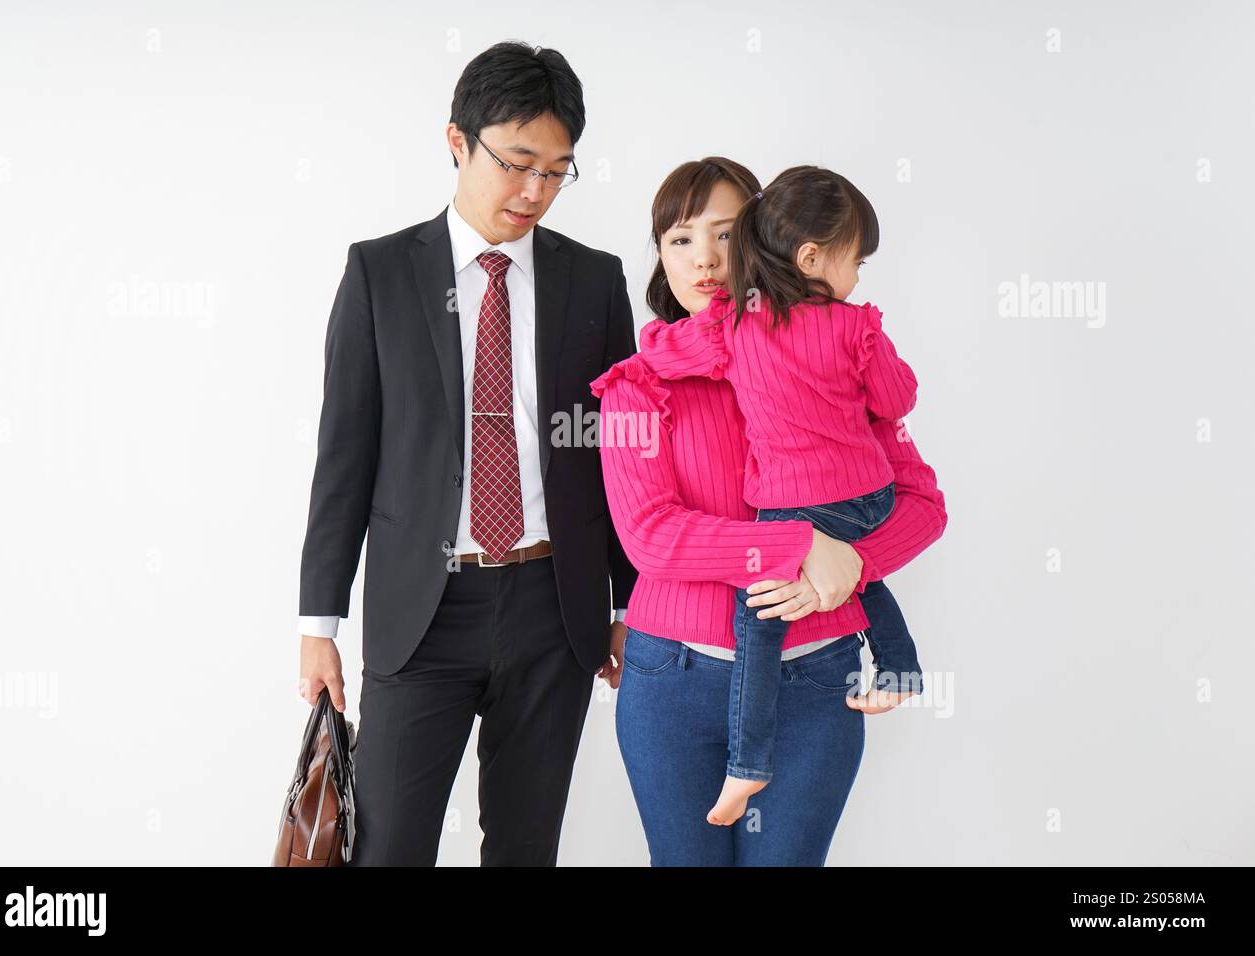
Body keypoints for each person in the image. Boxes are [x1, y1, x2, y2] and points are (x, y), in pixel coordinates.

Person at [296, 40, 638, 866]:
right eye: (518, 162)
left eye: (558, 171)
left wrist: (630, 605)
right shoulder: (379, 274)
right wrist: (319, 624)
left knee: (524, 850)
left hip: (555, 609)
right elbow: (344, 455)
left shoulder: (594, 280)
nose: (535, 192)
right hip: (423, 611)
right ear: (459, 141)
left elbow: (619, 456)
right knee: (387, 849)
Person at [591, 157, 947, 864]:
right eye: (679, 240)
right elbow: (650, 538)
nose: (705, 261)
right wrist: (798, 546)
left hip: (816, 683)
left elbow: (922, 505)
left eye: (726, 235)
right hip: (672, 687)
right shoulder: (634, 388)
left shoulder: (831, 364)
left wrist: (855, 560)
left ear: (768, 239)